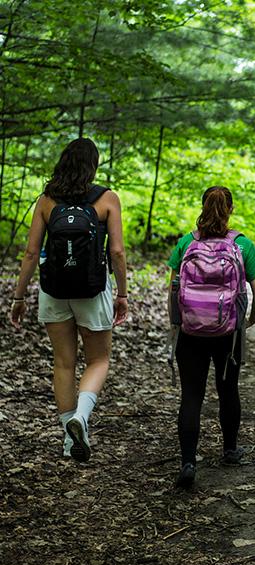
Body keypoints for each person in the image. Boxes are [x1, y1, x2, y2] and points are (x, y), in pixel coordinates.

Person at [10, 138, 128, 462]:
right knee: (98, 360)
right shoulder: (107, 199)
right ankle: (82, 417)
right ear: (93, 166)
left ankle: (68, 438)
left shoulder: (47, 200)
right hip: (92, 290)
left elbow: (32, 252)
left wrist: (18, 297)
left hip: (54, 291)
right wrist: (122, 293)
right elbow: (116, 251)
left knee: (63, 363)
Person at [167, 185, 255, 489]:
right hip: (228, 332)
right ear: (231, 210)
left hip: (190, 331)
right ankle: (230, 451)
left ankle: (187, 462)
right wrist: (248, 320)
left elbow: (172, 289)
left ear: (202, 207)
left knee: (192, 396)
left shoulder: (186, 243)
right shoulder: (242, 245)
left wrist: (176, 324)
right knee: (228, 390)